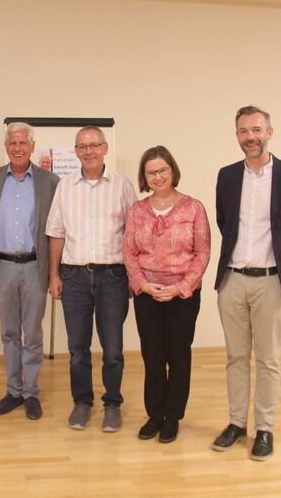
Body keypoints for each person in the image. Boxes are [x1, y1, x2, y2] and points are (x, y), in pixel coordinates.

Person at [211, 106, 281, 461]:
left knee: (268, 360)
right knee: (236, 357)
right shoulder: (227, 176)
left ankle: (265, 429)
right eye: (243, 131)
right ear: (237, 135)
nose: (249, 137)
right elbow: (225, 222)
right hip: (233, 280)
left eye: (256, 129)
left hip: (271, 281)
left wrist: (280, 263)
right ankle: (237, 424)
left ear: (270, 132)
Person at [46, 125, 137, 432]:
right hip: (74, 277)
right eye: (83, 147)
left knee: (112, 349)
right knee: (77, 348)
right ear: (76, 152)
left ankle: (112, 404)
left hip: (113, 276)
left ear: (105, 148)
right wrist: (54, 275)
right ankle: (82, 402)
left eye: (94, 145)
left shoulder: (122, 186)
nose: (89, 152)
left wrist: (134, 275)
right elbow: (56, 233)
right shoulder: (65, 186)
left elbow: (133, 234)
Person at [123, 146, 210, 443]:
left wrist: (181, 287)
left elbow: (203, 253)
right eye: (151, 172)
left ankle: (172, 417)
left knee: (178, 355)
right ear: (144, 177)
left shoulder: (194, 208)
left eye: (162, 170)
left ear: (172, 171)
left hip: (183, 295)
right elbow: (129, 253)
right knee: (152, 355)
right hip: (147, 294)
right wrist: (143, 284)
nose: (158, 176)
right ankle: (155, 414)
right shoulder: (137, 210)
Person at [0, 123, 59, 420]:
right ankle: (13, 391)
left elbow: (57, 230)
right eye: (12, 143)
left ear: (32, 146)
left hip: (36, 267)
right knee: (9, 333)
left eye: (23, 143)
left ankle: (30, 392)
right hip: (4, 268)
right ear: (6, 147)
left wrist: (55, 272)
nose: (18, 148)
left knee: (32, 334)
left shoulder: (50, 181)